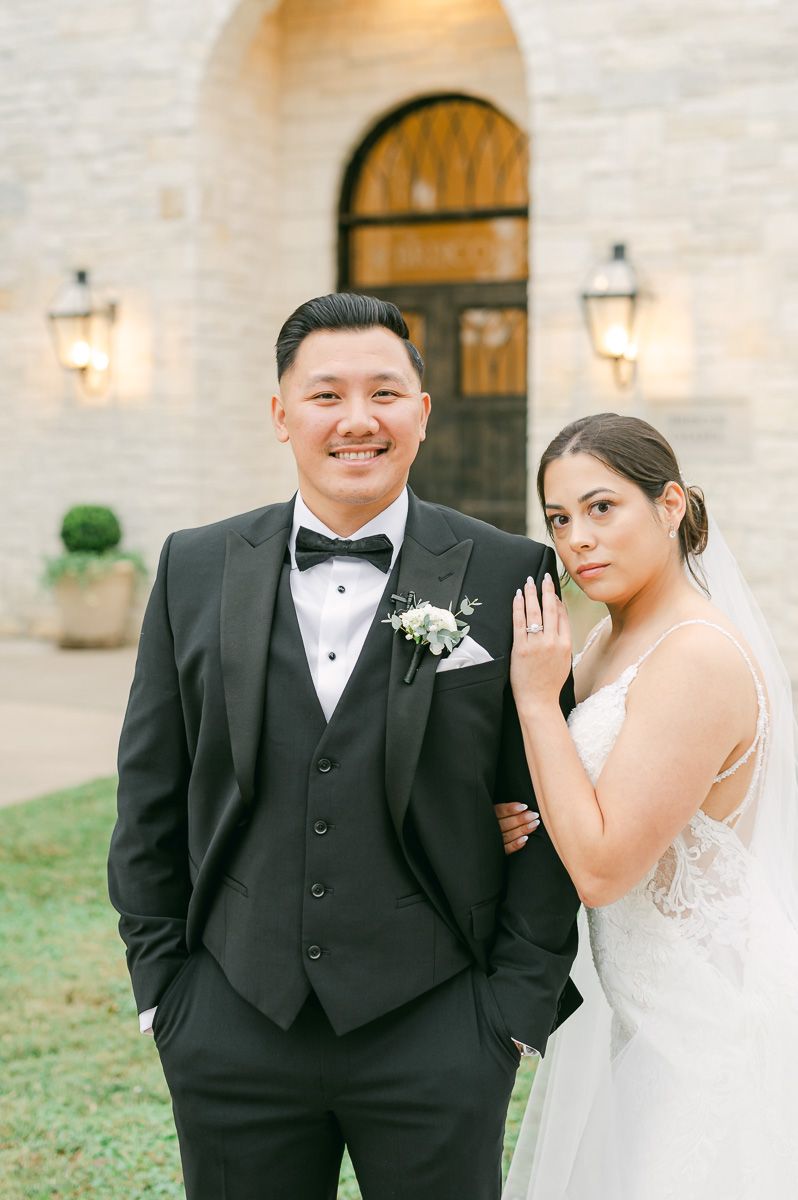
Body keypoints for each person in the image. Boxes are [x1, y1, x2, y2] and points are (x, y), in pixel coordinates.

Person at [107, 292, 581, 1200]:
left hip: (441, 1028)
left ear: (423, 412)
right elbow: (148, 792)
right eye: (327, 395)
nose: (358, 420)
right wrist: (165, 990)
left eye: (385, 394)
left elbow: (553, 798)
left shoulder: (509, 570)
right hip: (232, 1023)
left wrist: (510, 1014)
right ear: (281, 414)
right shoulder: (195, 565)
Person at [496, 413, 798, 1200]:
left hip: (706, 1020)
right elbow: (577, 799)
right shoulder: (606, 641)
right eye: (560, 519)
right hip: (639, 1014)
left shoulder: (694, 655)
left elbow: (601, 866)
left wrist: (535, 702)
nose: (577, 540)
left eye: (603, 508)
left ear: (669, 507)